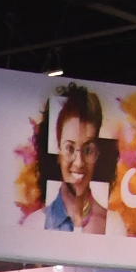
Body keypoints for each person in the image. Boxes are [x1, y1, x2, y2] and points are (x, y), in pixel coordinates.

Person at [23, 85, 111, 235]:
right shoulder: (34, 224)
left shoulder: (113, 225)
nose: (79, 162)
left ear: (97, 154)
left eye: (88, 150)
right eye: (70, 148)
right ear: (58, 151)